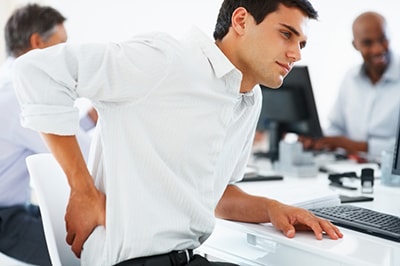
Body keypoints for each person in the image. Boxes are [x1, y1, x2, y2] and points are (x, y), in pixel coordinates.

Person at [13, 1, 343, 265]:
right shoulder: (164, 60)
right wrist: (82, 189)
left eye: (301, 43)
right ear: (241, 21)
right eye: (286, 35)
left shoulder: (247, 98)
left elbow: (214, 196)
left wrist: (272, 207)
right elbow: (35, 71)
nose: (296, 54)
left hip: (186, 258)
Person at [0, 4, 96, 265]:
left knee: (67, 226)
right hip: (4, 220)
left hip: (15, 208)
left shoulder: (8, 87)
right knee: (86, 249)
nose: (66, 54)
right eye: (62, 45)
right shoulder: (19, 96)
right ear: (37, 43)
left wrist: (88, 119)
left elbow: (47, 132)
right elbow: (85, 154)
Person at [301, 11, 400, 161]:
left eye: (383, 39)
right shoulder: (350, 78)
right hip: (352, 166)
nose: (378, 49)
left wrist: (353, 145)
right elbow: (336, 126)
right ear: (355, 45)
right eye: (368, 42)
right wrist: (320, 140)